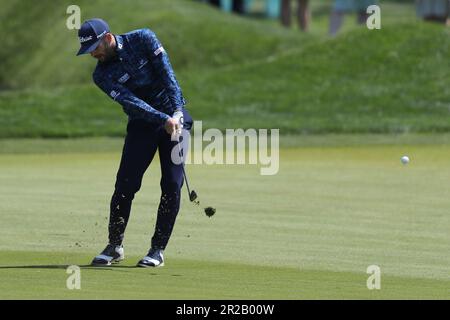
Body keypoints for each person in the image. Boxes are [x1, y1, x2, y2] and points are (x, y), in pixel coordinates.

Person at [76, 18, 193, 268]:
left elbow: (167, 75)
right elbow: (131, 102)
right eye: (88, 51)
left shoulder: (143, 39)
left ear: (107, 37)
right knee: (125, 185)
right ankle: (114, 245)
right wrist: (162, 119)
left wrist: (177, 112)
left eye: (94, 48)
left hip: (176, 118)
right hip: (143, 125)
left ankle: (157, 250)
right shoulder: (101, 75)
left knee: (172, 184)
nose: (93, 54)